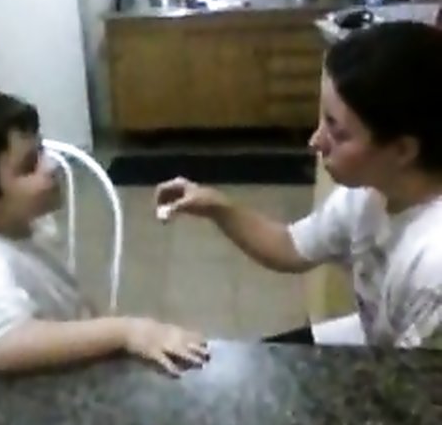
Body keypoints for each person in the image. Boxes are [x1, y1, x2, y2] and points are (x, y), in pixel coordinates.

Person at [155, 21, 442, 349]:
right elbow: (290, 247)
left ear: (403, 150)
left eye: (337, 131)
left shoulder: (433, 263)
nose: (315, 141)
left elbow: (416, 380)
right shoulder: (367, 195)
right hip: (376, 343)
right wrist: (216, 206)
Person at [0, 90, 209, 375]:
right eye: (29, 166)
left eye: (41, 150)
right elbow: (2, 342)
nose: (50, 165)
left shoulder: (29, 222)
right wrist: (125, 331)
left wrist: (95, 323)